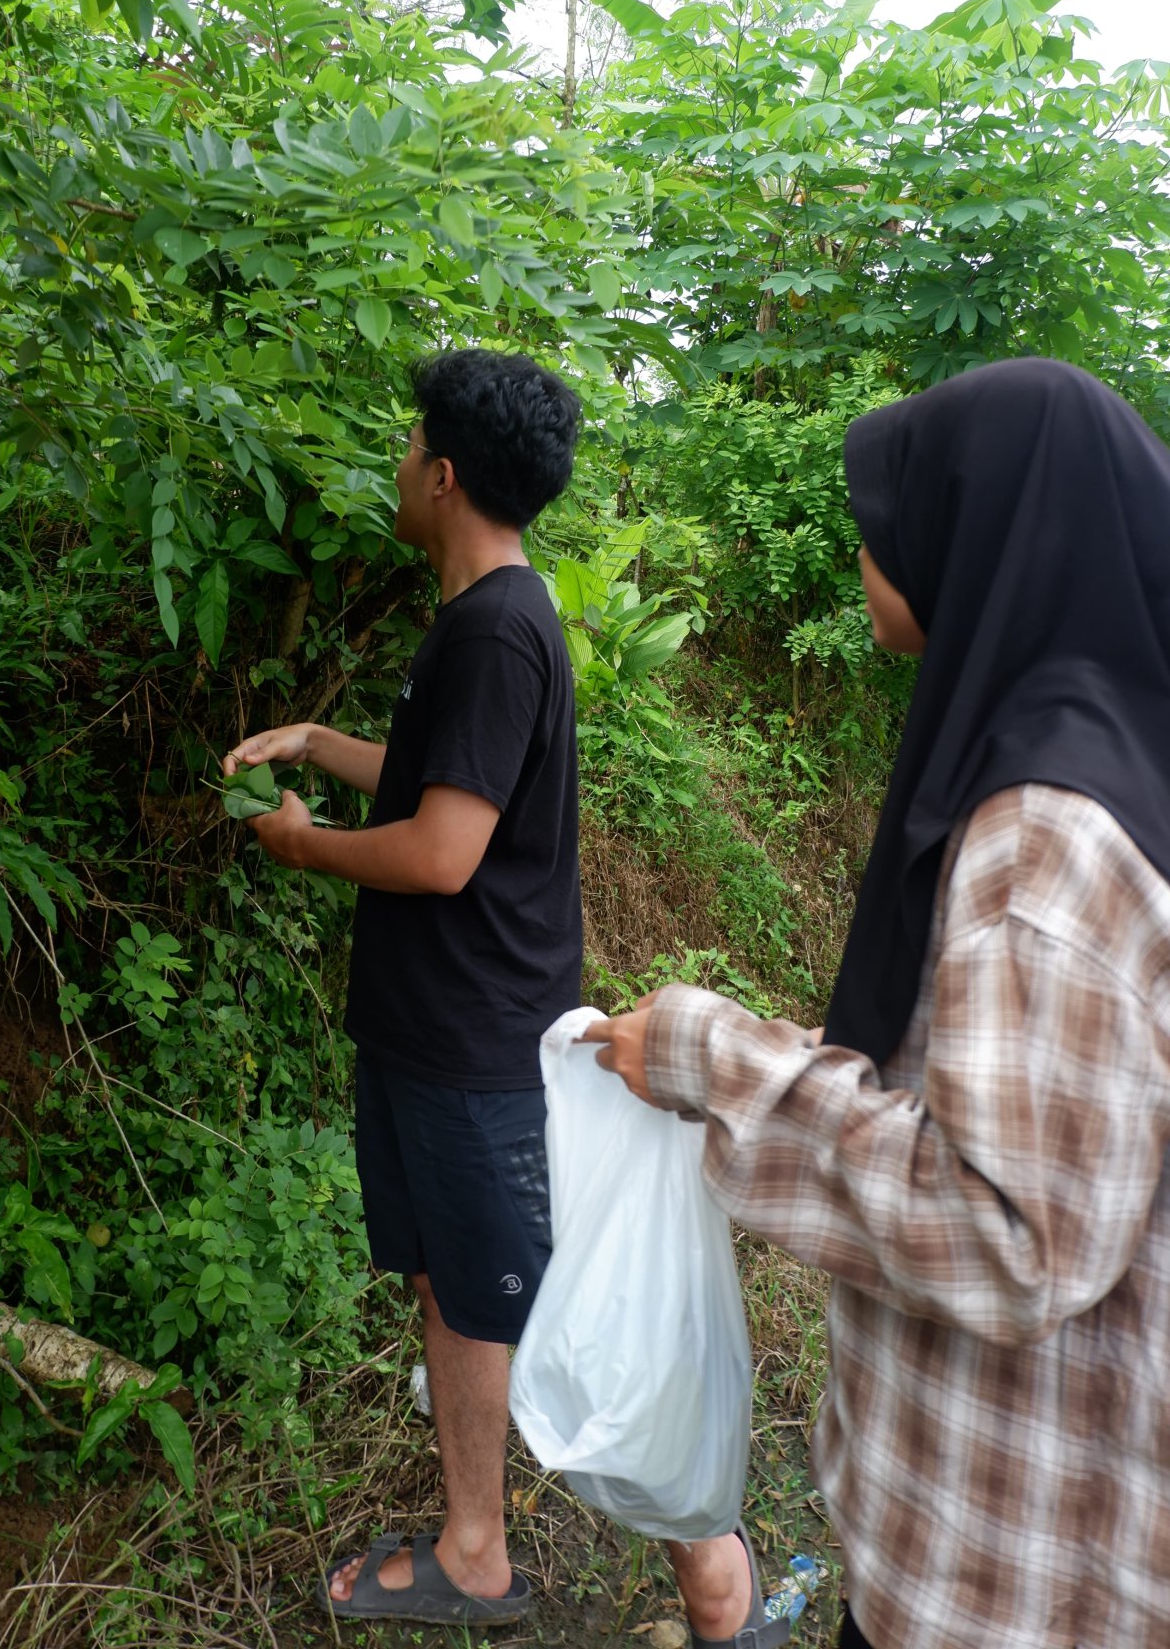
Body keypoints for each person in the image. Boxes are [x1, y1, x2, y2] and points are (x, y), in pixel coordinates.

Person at [583, 357, 1170, 1649]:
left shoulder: (1044, 841)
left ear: (983, 542)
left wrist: (710, 1056)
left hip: (1005, 1589)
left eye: (886, 525)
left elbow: (1006, 1225)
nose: (863, 556)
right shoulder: (1120, 758)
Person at [224, 348, 584, 1628]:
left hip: (476, 1040)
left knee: (483, 1296)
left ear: (440, 474)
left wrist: (301, 843)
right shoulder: (485, 617)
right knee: (446, 1281)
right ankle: (469, 1526)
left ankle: (481, 1553)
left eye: (405, 447)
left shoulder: (495, 627)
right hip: (438, 1030)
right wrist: (321, 744)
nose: (397, 467)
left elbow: (441, 853)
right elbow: (445, 789)